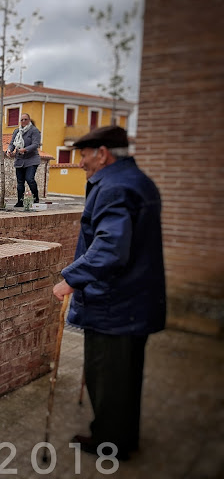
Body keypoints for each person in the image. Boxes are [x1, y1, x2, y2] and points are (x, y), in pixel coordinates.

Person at [52, 125, 166, 461]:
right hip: (134, 301)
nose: (81, 163)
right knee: (126, 377)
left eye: (85, 156)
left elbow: (111, 247)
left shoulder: (114, 187)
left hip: (115, 303)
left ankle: (110, 443)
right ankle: (123, 437)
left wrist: (71, 279)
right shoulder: (137, 181)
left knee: (109, 378)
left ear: (102, 154)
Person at [5, 113, 41, 207]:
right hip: (20, 159)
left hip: (32, 159)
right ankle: (20, 201)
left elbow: (35, 144)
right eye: (22, 120)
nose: (23, 121)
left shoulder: (34, 131)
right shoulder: (17, 131)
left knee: (30, 179)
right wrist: (9, 150)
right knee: (20, 182)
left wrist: (25, 149)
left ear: (29, 120)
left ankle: (35, 198)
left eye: (25, 119)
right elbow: (12, 143)